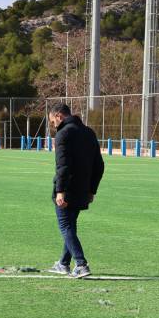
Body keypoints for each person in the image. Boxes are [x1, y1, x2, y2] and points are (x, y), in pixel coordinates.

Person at [46, 104, 104, 278]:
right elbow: (99, 165)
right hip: (83, 190)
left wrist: (60, 191)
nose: (53, 125)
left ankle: (81, 264)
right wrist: (92, 190)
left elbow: (62, 166)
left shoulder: (63, 134)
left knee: (65, 226)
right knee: (70, 226)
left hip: (68, 189)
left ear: (59, 116)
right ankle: (63, 263)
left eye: (52, 121)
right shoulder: (89, 132)